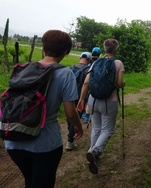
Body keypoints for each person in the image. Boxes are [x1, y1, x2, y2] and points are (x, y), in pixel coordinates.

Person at [4, 30, 83, 188]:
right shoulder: (65, 74)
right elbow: (70, 112)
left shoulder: (23, 68)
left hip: (13, 139)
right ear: (66, 52)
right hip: (45, 144)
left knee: (30, 180)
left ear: (43, 48)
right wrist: (78, 126)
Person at [77, 38, 125, 174]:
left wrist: (82, 99)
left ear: (104, 49)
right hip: (109, 101)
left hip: (93, 99)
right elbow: (119, 83)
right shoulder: (118, 63)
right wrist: (123, 84)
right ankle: (94, 150)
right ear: (115, 49)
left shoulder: (96, 62)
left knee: (96, 128)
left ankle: (93, 156)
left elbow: (86, 82)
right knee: (108, 129)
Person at [65, 51, 91, 150]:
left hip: (69, 96)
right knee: (76, 117)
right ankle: (70, 141)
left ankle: (70, 131)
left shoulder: (71, 68)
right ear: (88, 60)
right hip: (80, 97)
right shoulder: (88, 70)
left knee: (70, 115)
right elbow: (87, 85)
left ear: (80, 57)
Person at [81, 46, 101, 123]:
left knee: (83, 97)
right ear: (99, 54)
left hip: (84, 80)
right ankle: (87, 115)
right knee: (88, 98)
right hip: (93, 82)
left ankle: (83, 113)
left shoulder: (89, 60)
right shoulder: (99, 61)